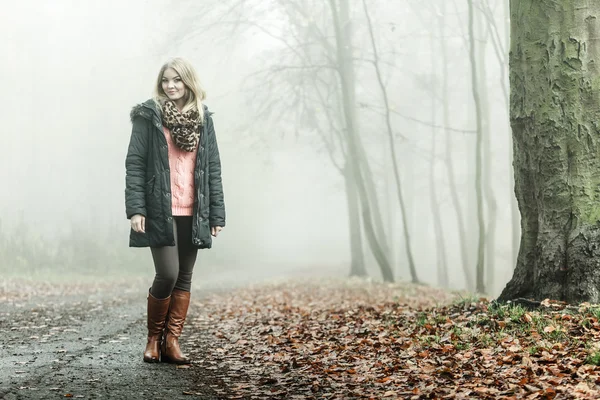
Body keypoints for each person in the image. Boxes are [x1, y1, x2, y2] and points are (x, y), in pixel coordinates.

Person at [125, 57, 225, 364]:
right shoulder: (149, 116)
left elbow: (212, 167)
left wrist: (217, 214)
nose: (170, 85)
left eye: (177, 80)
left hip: (194, 210)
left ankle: (171, 342)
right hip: (159, 209)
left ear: (188, 82)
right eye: (166, 80)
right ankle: (153, 339)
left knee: (185, 276)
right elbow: (135, 164)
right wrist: (136, 209)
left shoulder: (203, 119)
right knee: (167, 274)